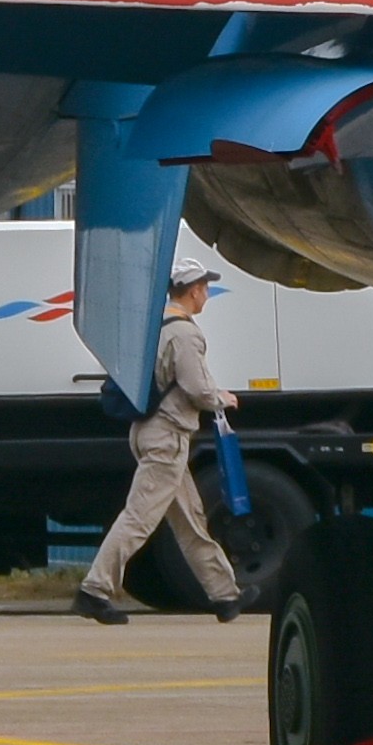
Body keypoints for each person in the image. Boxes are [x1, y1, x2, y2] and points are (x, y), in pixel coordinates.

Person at [69, 251, 240, 625]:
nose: (207, 294)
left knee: (191, 519)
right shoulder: (185, 333)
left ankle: (225, 596)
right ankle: (94, 591)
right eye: (204, 288)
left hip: (149, 430)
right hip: (168, 437)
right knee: (139, 518)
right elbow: (196, 387)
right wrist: (221, 398)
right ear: (193, 291)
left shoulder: (154, 327)